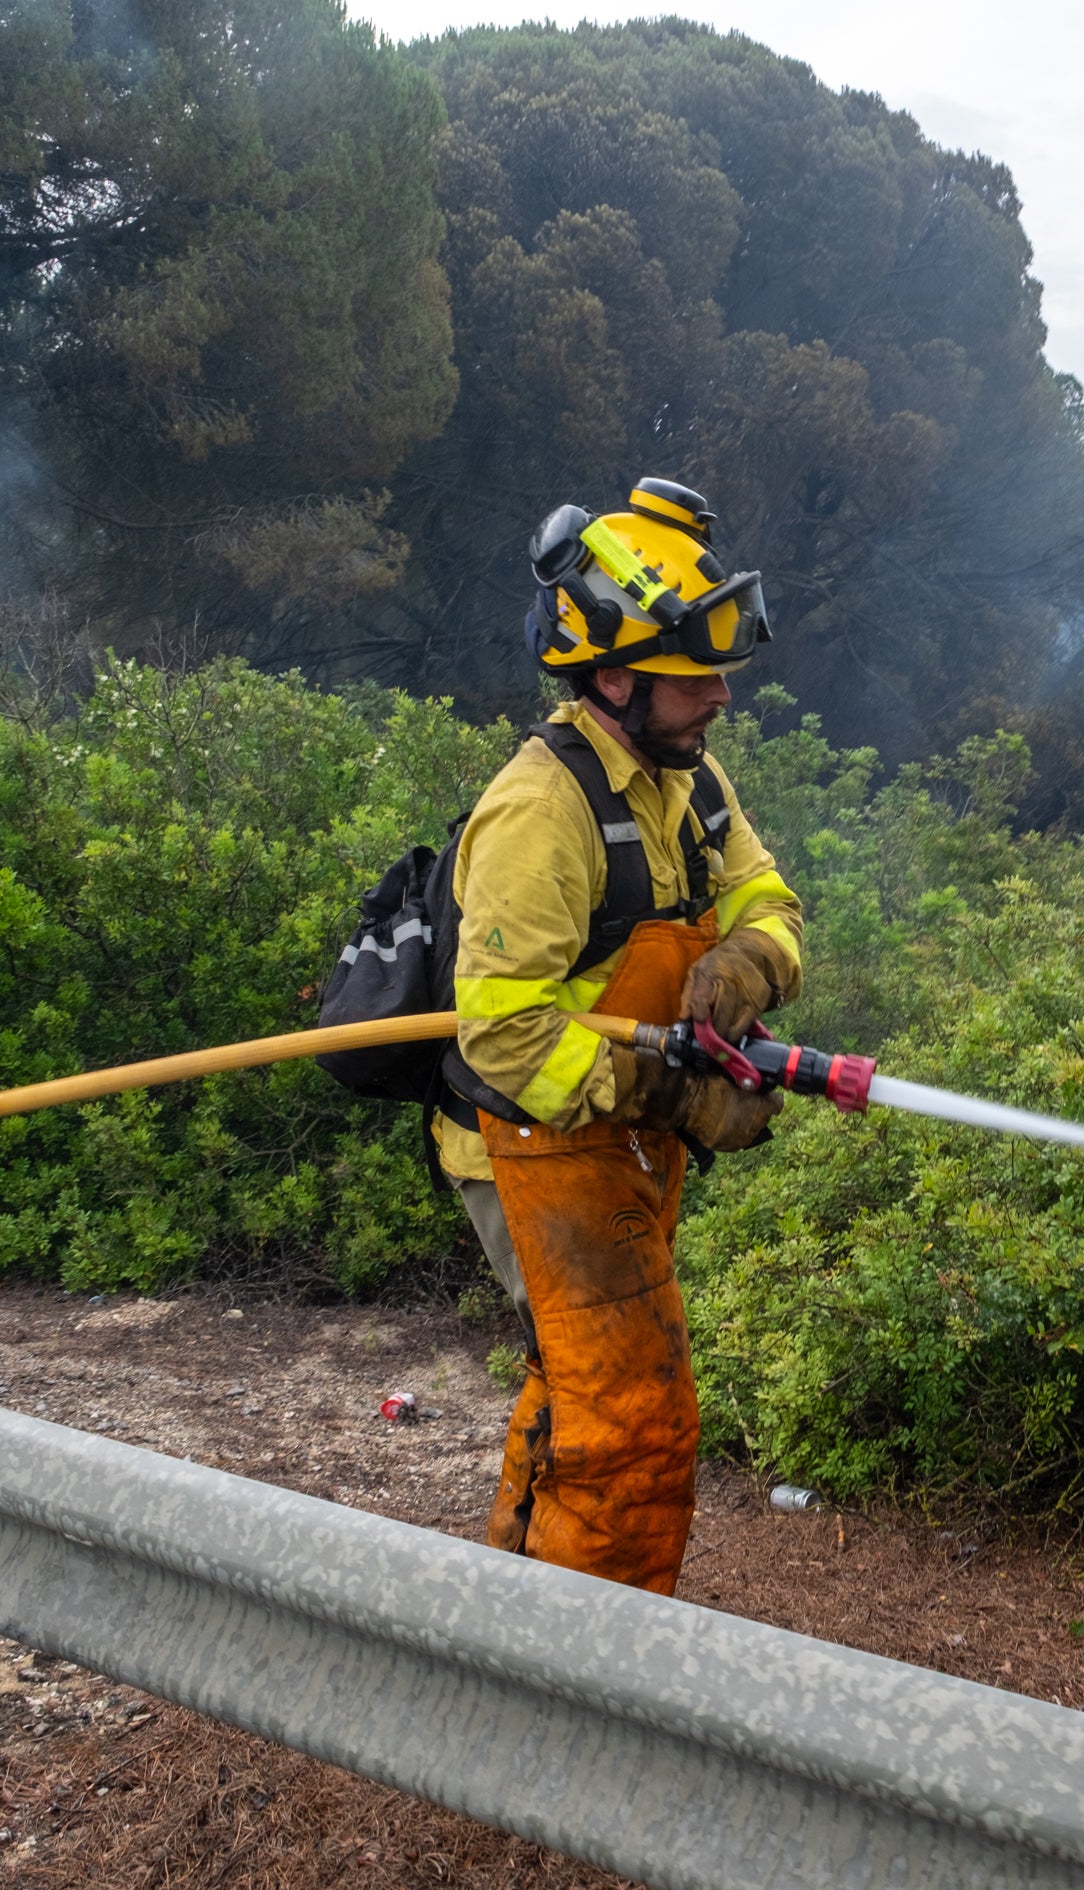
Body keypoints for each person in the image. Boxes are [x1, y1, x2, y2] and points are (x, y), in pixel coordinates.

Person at [439, 476, 804, 1595]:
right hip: (536, 1145)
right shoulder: (539, 812)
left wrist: (748, 964)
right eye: (697, 680)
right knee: (630, 1422)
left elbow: (771, 904)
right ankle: (585, 1684)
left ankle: (512, 1614)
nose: (724, 699)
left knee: (581, 1382)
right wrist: (677, 1094)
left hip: (624, 1143)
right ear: (612, 677)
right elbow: (504, 1041)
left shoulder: (688, 782)